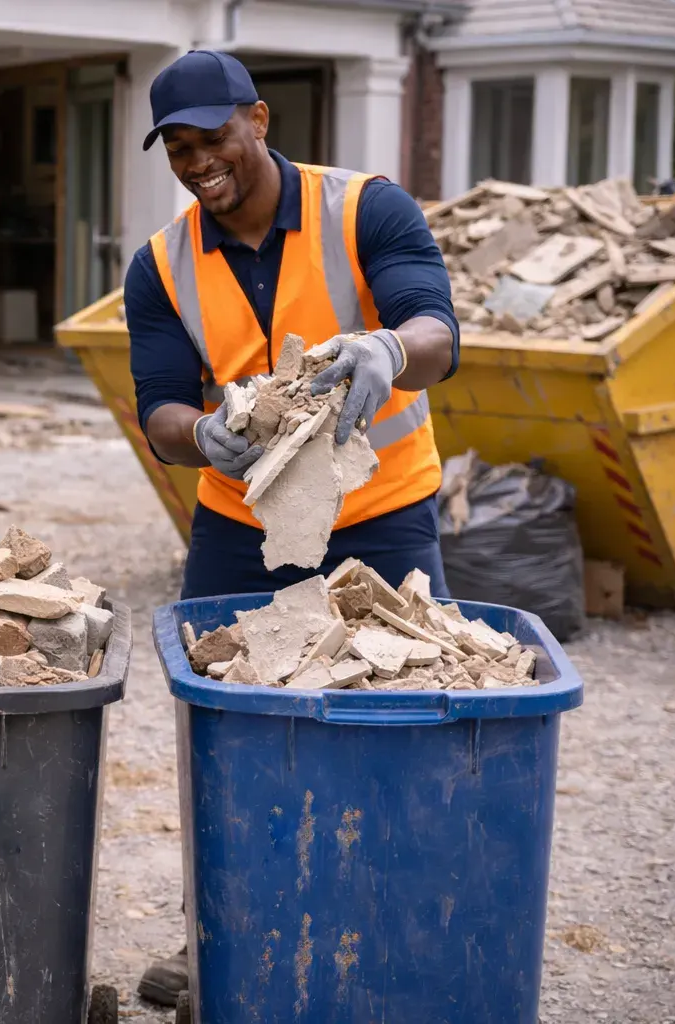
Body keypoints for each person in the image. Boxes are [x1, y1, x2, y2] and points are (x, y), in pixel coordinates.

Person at [123, 50, 459, 1006]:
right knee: (228, 731)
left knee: (404, 723)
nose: (199, 163)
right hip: (243, 526)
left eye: (214, 138)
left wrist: (387, 348)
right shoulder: (162, 264)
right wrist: (202, 435)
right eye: (178, 149)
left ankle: (399, 934)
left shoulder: (367, 210)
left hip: (383, 517)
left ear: (260, 120)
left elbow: (437, 332)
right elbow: (158, 408)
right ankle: (222, 935)